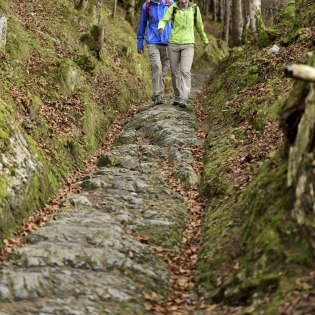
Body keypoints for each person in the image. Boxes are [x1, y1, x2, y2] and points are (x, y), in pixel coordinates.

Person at [158, 0, 209, 108]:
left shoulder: (194, 9)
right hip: (173, 44)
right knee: (174, 72)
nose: (184, 1)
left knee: (185, 71)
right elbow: (164, 20)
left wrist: (205, 39)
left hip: (188, 44)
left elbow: (199, 26)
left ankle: (184, 98)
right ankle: (178, 96)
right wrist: (161, 27)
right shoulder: (173, 8)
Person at [137, 0, 173, 105]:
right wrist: (140, 42)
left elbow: (177, 21)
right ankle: (158, 95)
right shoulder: (147, 6)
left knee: (164, 70)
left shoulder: (169, 3)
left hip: (168, 42)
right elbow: (142, 23)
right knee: (157, 66)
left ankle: (158, 94)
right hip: (152, 42)